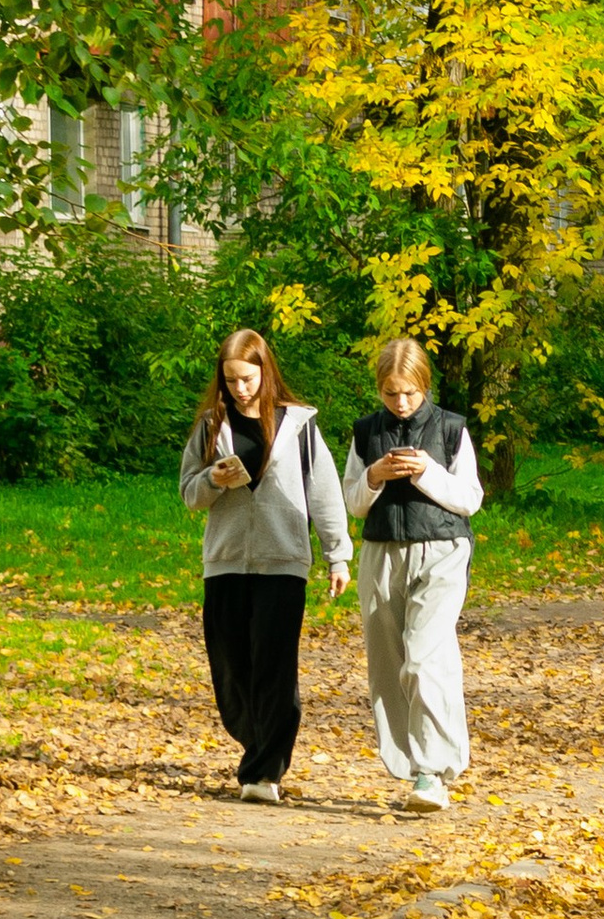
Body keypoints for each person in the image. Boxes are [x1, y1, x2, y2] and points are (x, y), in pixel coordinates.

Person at [180, 327, 351, 804]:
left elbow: (325, 493)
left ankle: (264, 773)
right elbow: (189, 494)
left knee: (274, 668)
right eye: (231, 380)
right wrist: (213, 478)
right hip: (226, 562)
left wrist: (338, 554)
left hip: (284, 561)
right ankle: (255, 746)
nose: (241, 389)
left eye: (248, 378)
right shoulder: (211, 427)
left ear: (265, 371)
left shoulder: (298, 426)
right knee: (231, 670)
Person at [342, 336, 484, 813]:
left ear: (424, 386)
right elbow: (353, 504)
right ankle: (408, 765)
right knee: (388, 665)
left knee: (424, 659)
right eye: (390, 393)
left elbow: (470, 499)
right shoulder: (365, 433)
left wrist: (424, 472)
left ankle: (433, 771)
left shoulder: (449, 429)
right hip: (381, 554)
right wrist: (376, 476)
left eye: (409, 393)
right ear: (379, 390)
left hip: (443, 551)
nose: (400, 403)